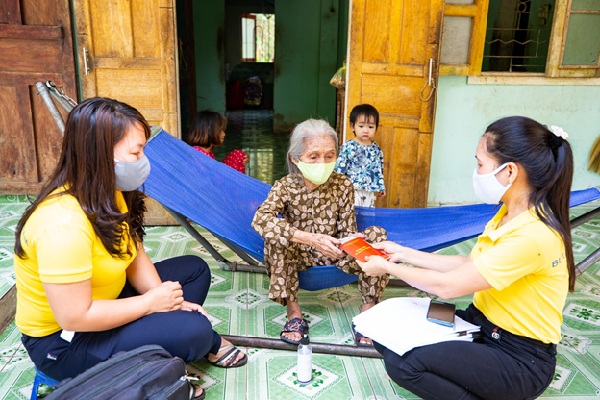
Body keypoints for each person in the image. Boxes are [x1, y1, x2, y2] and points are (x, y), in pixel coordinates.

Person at [14, 98, 248, 400]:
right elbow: (75, 317)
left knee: (194, 270)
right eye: (135, 151)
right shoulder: (61, 225)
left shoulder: (110, 192)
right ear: (99, 154)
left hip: (103, 301)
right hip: (65, 343)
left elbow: (133, 253)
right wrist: (151, 303)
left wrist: (167, 300)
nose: (142, 159)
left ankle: (155, 346)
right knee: (197, 331)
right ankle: (151, 365)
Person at [357, 116, 574, 400]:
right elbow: (467, 265)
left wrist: (386, 267)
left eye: (481, 164)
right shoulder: (507, 214)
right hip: (481, 324)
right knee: (385, 331)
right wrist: (402, 253)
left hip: (519, 357)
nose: (476, 171)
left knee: (407, 363)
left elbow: (450, 287)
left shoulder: (533, 234)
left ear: (509, 172)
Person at [251, 118, 389, 346]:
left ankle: (367, 312)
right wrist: (309, 239)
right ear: (296, 159)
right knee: (276, 239)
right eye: (313, 156)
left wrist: (348, 243)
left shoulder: (343, 184)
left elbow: (347, 227)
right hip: (299, 256)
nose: (322, 162)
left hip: (336, 254)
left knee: (378, 236)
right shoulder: (285, 186)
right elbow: (260, 219)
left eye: (329, 156)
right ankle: (294, 314)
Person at [334, 104, 385, 207]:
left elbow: (379, 168)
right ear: (353, 126)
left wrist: (381, 186)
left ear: (376, 128)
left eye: (370, 127)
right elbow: (340, 167)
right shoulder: (349, 146)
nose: (366, 130)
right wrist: (337, 186)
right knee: (352, 213)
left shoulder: (376, 148)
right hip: (352, 189)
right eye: (361, 126)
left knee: (368, 214)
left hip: (369, 191)